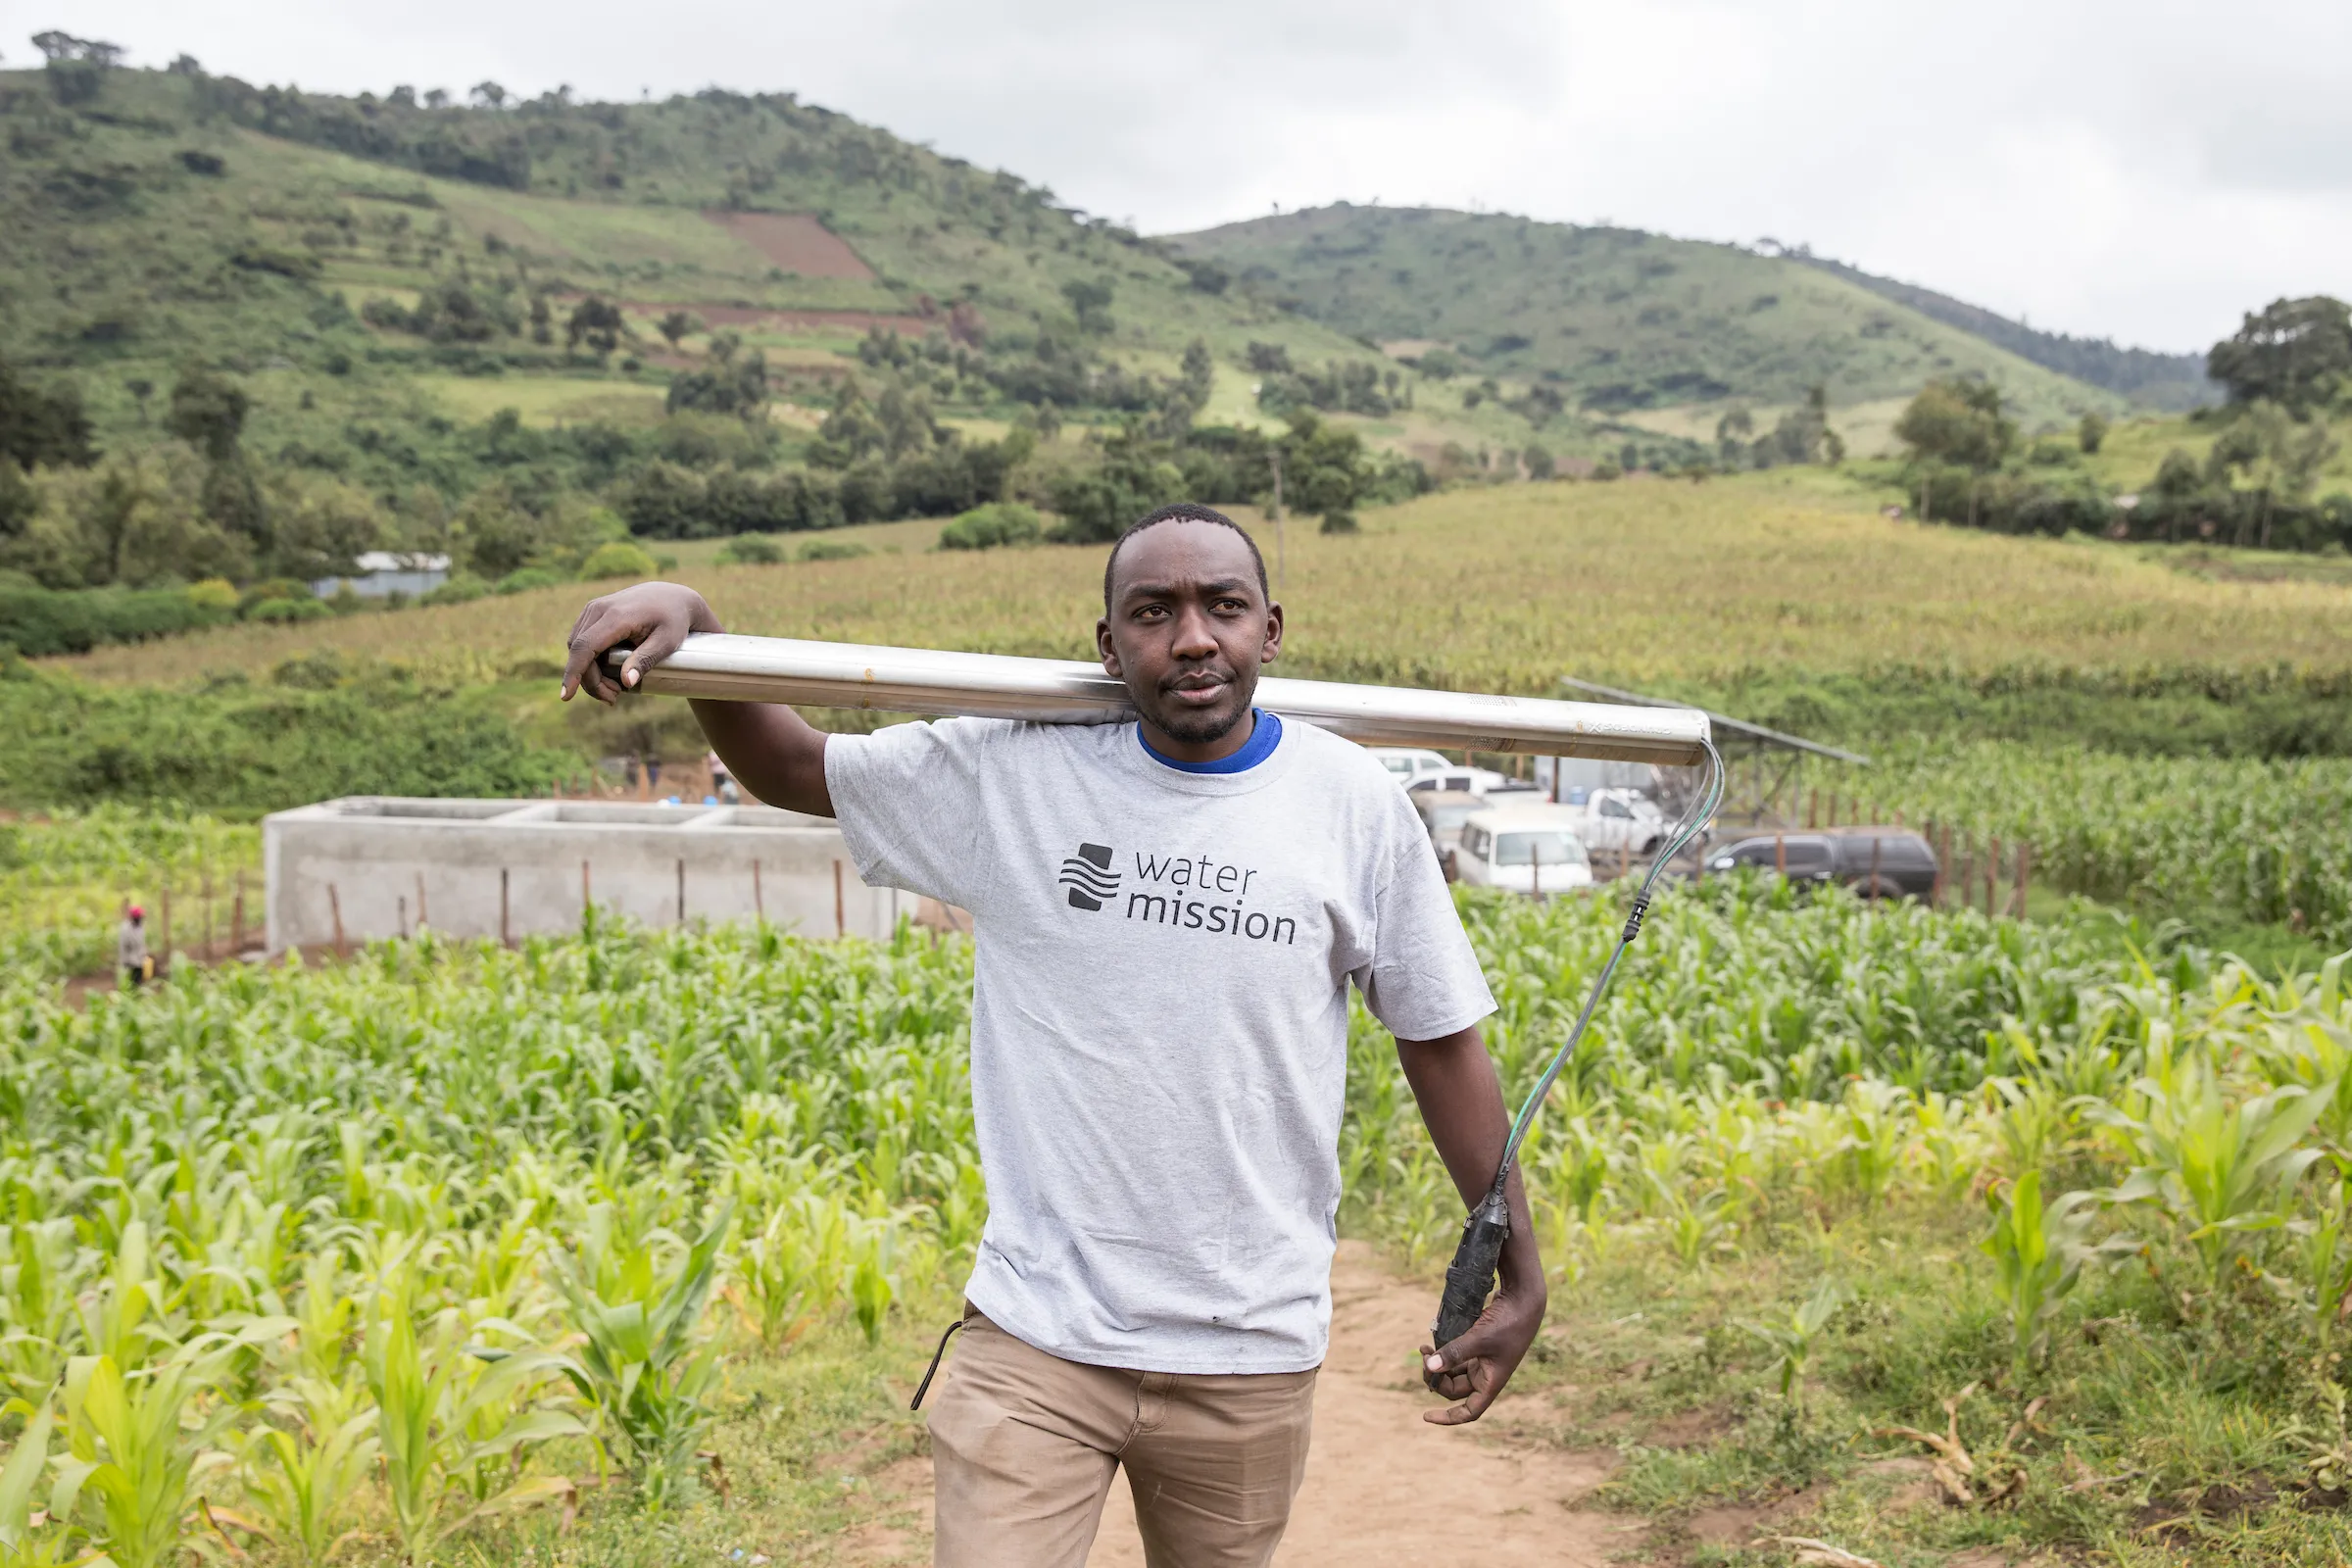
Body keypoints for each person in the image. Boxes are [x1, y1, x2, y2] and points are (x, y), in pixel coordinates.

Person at [561, 503, 1544, 1567]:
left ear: (1271, 628)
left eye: (1223, 605)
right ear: (1108, 645)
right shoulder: (1013, 774)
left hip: (1250, 1349)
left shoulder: (1350, 801)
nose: (1193, 637)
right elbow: (796, 765)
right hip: (1038, 1338)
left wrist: (1519, 1268)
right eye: (1153, 612)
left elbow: (1439, 1038)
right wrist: (700, 627)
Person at [119, 904, 152, 988]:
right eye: (139, 916)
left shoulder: (139, 927)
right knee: (132, 980)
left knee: (138, 979)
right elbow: (127, 944)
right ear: (135, 917)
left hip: (138, 959)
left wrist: (144, 952)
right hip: (130, 959)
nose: (141, 918)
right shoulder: (126, 928)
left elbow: (141, 942)